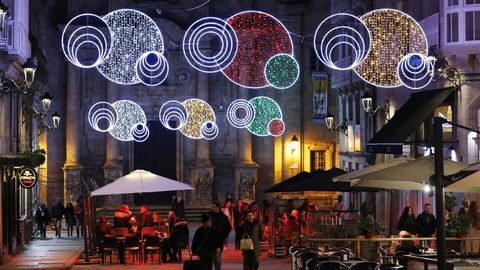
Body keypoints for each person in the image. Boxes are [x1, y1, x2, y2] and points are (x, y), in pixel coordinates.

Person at [210, 201, 232, 270]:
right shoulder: (209, 216)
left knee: (217, 260)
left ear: (218, 208)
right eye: (211, 207)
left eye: (213, 207)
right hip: (209, 240)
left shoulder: (223, 217)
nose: (211, 208)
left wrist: (223, 236)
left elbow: (228, 228)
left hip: (218, 241)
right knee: (209, 260)